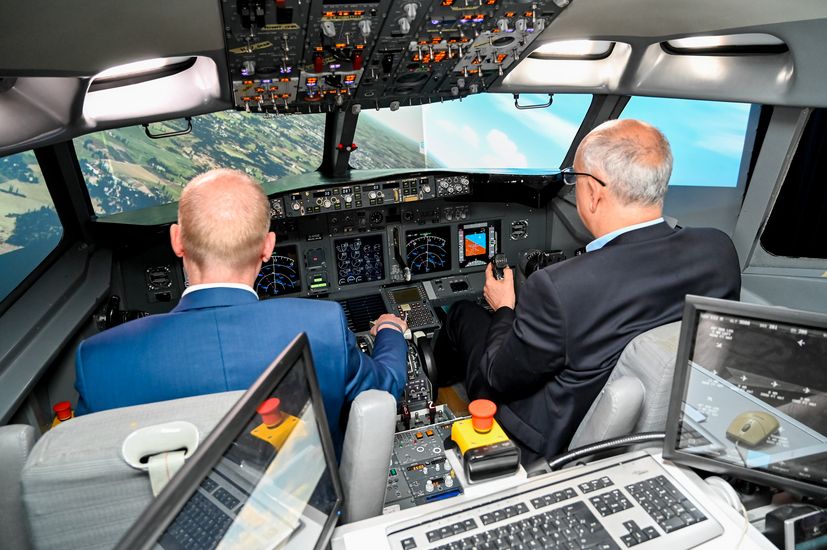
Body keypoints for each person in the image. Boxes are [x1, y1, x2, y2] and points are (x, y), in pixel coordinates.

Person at [435, 119, 742, 463]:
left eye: (574, 179)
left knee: (462, 314)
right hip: (658, 423)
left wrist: (504, 307)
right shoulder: (718, 251)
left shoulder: (560, 287)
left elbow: (498, 377)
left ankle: (436, 392)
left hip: (551, 440)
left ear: (594, 193)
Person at [74, 169, 409, 453]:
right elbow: (383, 390)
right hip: (303, 502)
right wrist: (390, 330)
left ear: (177, 240)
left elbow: (87, 461)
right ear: (268, 247)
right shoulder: (321, 326)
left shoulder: (99, 359)